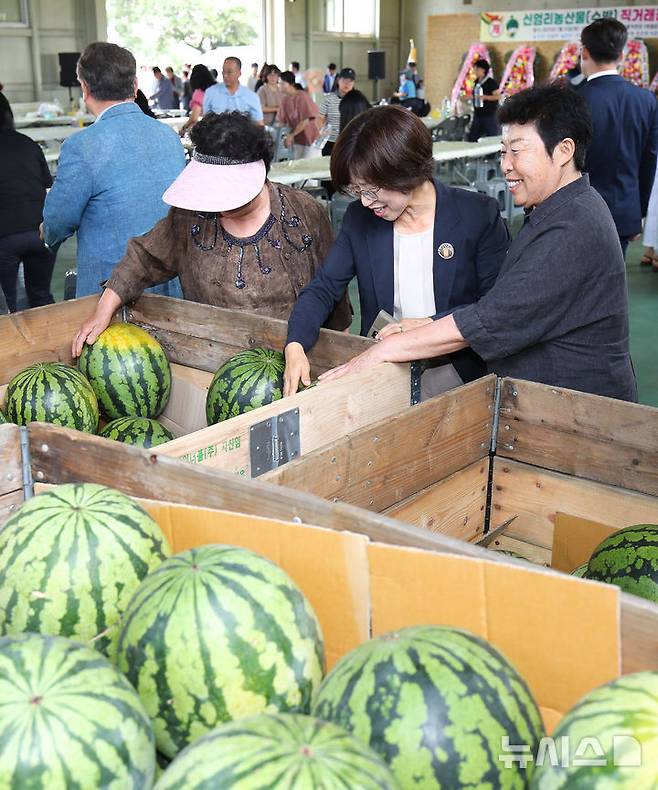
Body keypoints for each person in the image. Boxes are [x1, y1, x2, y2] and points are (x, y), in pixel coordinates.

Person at [313, 84, 637, 403]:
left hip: (577, 411)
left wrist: (386, 349)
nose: (506, 164)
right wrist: (427, 323)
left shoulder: (573, 227)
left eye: (518, 150)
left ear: (564, 151)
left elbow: (492, 318)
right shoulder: (559, 210)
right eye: (503, 151)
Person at [71, 111, 352, 357]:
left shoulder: (304, 213)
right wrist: (105, 307)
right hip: (213, 359)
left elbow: (332, 290)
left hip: (295, 355)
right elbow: (144, 257)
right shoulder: (188, 218)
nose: (220, 208)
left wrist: (341, 349)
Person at [283, 105, 509, 398]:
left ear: (406, 170)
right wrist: (296, 344)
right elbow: (324, 288)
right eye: (356, 191)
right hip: (384, 364)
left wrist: (427, 325)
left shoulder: (477, 215)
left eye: (371, 190)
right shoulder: (360, 219)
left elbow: (495, 306)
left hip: (457, 365)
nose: (365, 202)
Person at [42, 42, 186, 298]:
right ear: (134, 85)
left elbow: (59, 220)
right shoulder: (168, 137)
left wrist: (48, 234)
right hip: (169, 285)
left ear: (84, 88)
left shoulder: (82, 146)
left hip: (112, 291)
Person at [579, 18, 658, 257]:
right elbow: (649, 162)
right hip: (625, 211)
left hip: (579, 212)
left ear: (584, 52)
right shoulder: (646, 100)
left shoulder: (573, 101)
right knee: (612, 286)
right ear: (622, 55)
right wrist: (638, 212)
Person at [0, 92, 55, 312]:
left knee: (7, 306)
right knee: (41, 298)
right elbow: (47, 187)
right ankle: (52, 343)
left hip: (4, 237)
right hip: (40, 233)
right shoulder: (29, 144)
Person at [203, 57, 263, 124]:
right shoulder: (211, 92)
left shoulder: (251, 96)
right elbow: (205, 121)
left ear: (239, 73)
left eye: (229, 72)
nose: (225, 75)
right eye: (223, 72)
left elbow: (259, 124)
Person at [277, 70, 320, 158]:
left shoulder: (302, 96)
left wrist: (291, 135)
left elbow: (305, 120)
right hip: (297, 140)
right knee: (298, 166)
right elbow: (281, 122)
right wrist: (283, 136)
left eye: (282, 83)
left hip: (311, 139)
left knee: (310, 165)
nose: (279, 86)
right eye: (279, 83)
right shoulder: (284, 100)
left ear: (291, 84)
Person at [317, 67, 357, 156]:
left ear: (354, 83)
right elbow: (320, 117)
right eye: (344, 80)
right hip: (331, 142)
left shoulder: (357, 100)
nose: (347, 84)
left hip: (350, 143)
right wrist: (321, 129)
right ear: (338, 80)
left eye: (350, 81)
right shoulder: (329, 98)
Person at [467, 59, 500, 142]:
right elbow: (476, 96)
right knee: (472, 139)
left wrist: (485, 97)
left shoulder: (491, 82)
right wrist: (468, 97)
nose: (475, 71)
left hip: (489, 116)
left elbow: (497, 96)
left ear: (483, 70)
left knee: (491, 139)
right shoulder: (476, 82)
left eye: (477, 69)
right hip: (478, 115)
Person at [178, 64, 215, 137]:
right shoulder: (217, 89)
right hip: (226, 127)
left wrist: (183, 128)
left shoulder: (199, 92)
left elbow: (194, 119)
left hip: (212, 131)